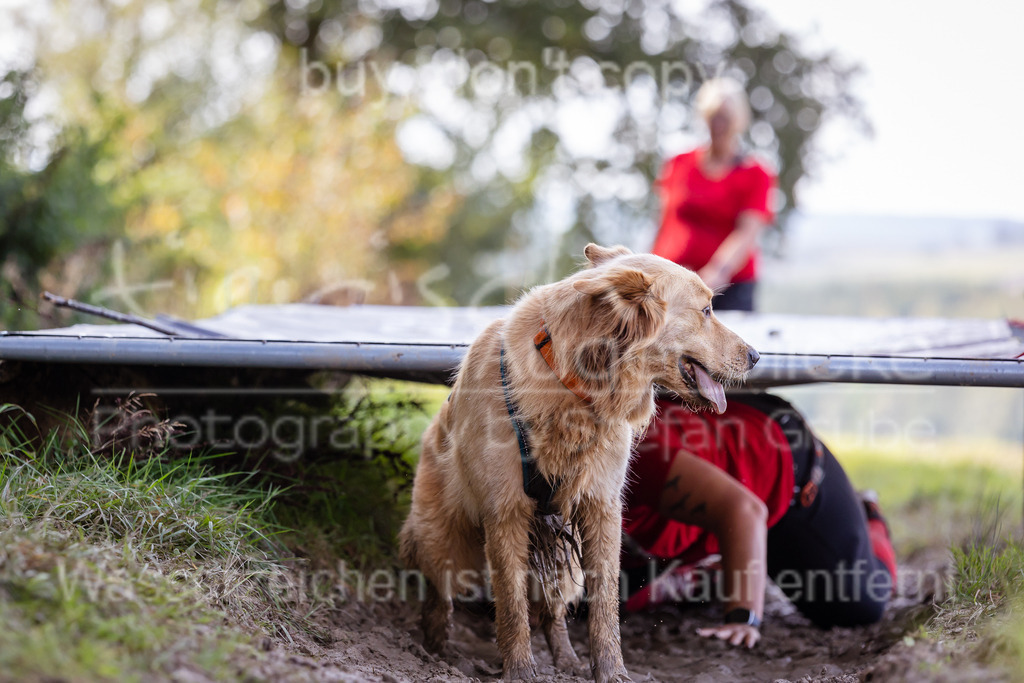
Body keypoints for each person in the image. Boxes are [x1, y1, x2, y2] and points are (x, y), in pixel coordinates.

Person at [621, 393, 897, 648]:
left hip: (785, 475)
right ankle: (710, 571)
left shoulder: (641, 453)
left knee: (859, 604)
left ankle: (870, 514)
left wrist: (742, 617)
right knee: (592, 601)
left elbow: (743, 511)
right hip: (705, 520)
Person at [652, 78, 776, 312]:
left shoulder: (756, 173)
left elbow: (746, 234)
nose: (718, 124)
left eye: (725, 118)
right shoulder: (678, 162)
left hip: (728, 290)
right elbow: (663, 221)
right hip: (671, 286)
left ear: (738, 121)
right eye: (713, 117)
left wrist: (712, 275)